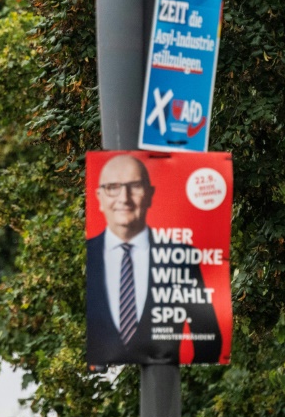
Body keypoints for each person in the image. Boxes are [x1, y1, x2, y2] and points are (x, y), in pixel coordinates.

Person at [86, 154, 222, 366]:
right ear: (99, 196)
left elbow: (209, 341)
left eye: (135, 186)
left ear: (149, 194)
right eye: (113, 187)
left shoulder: (181, 257)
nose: (124, 198)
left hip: (168, 383)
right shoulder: (89, 255)